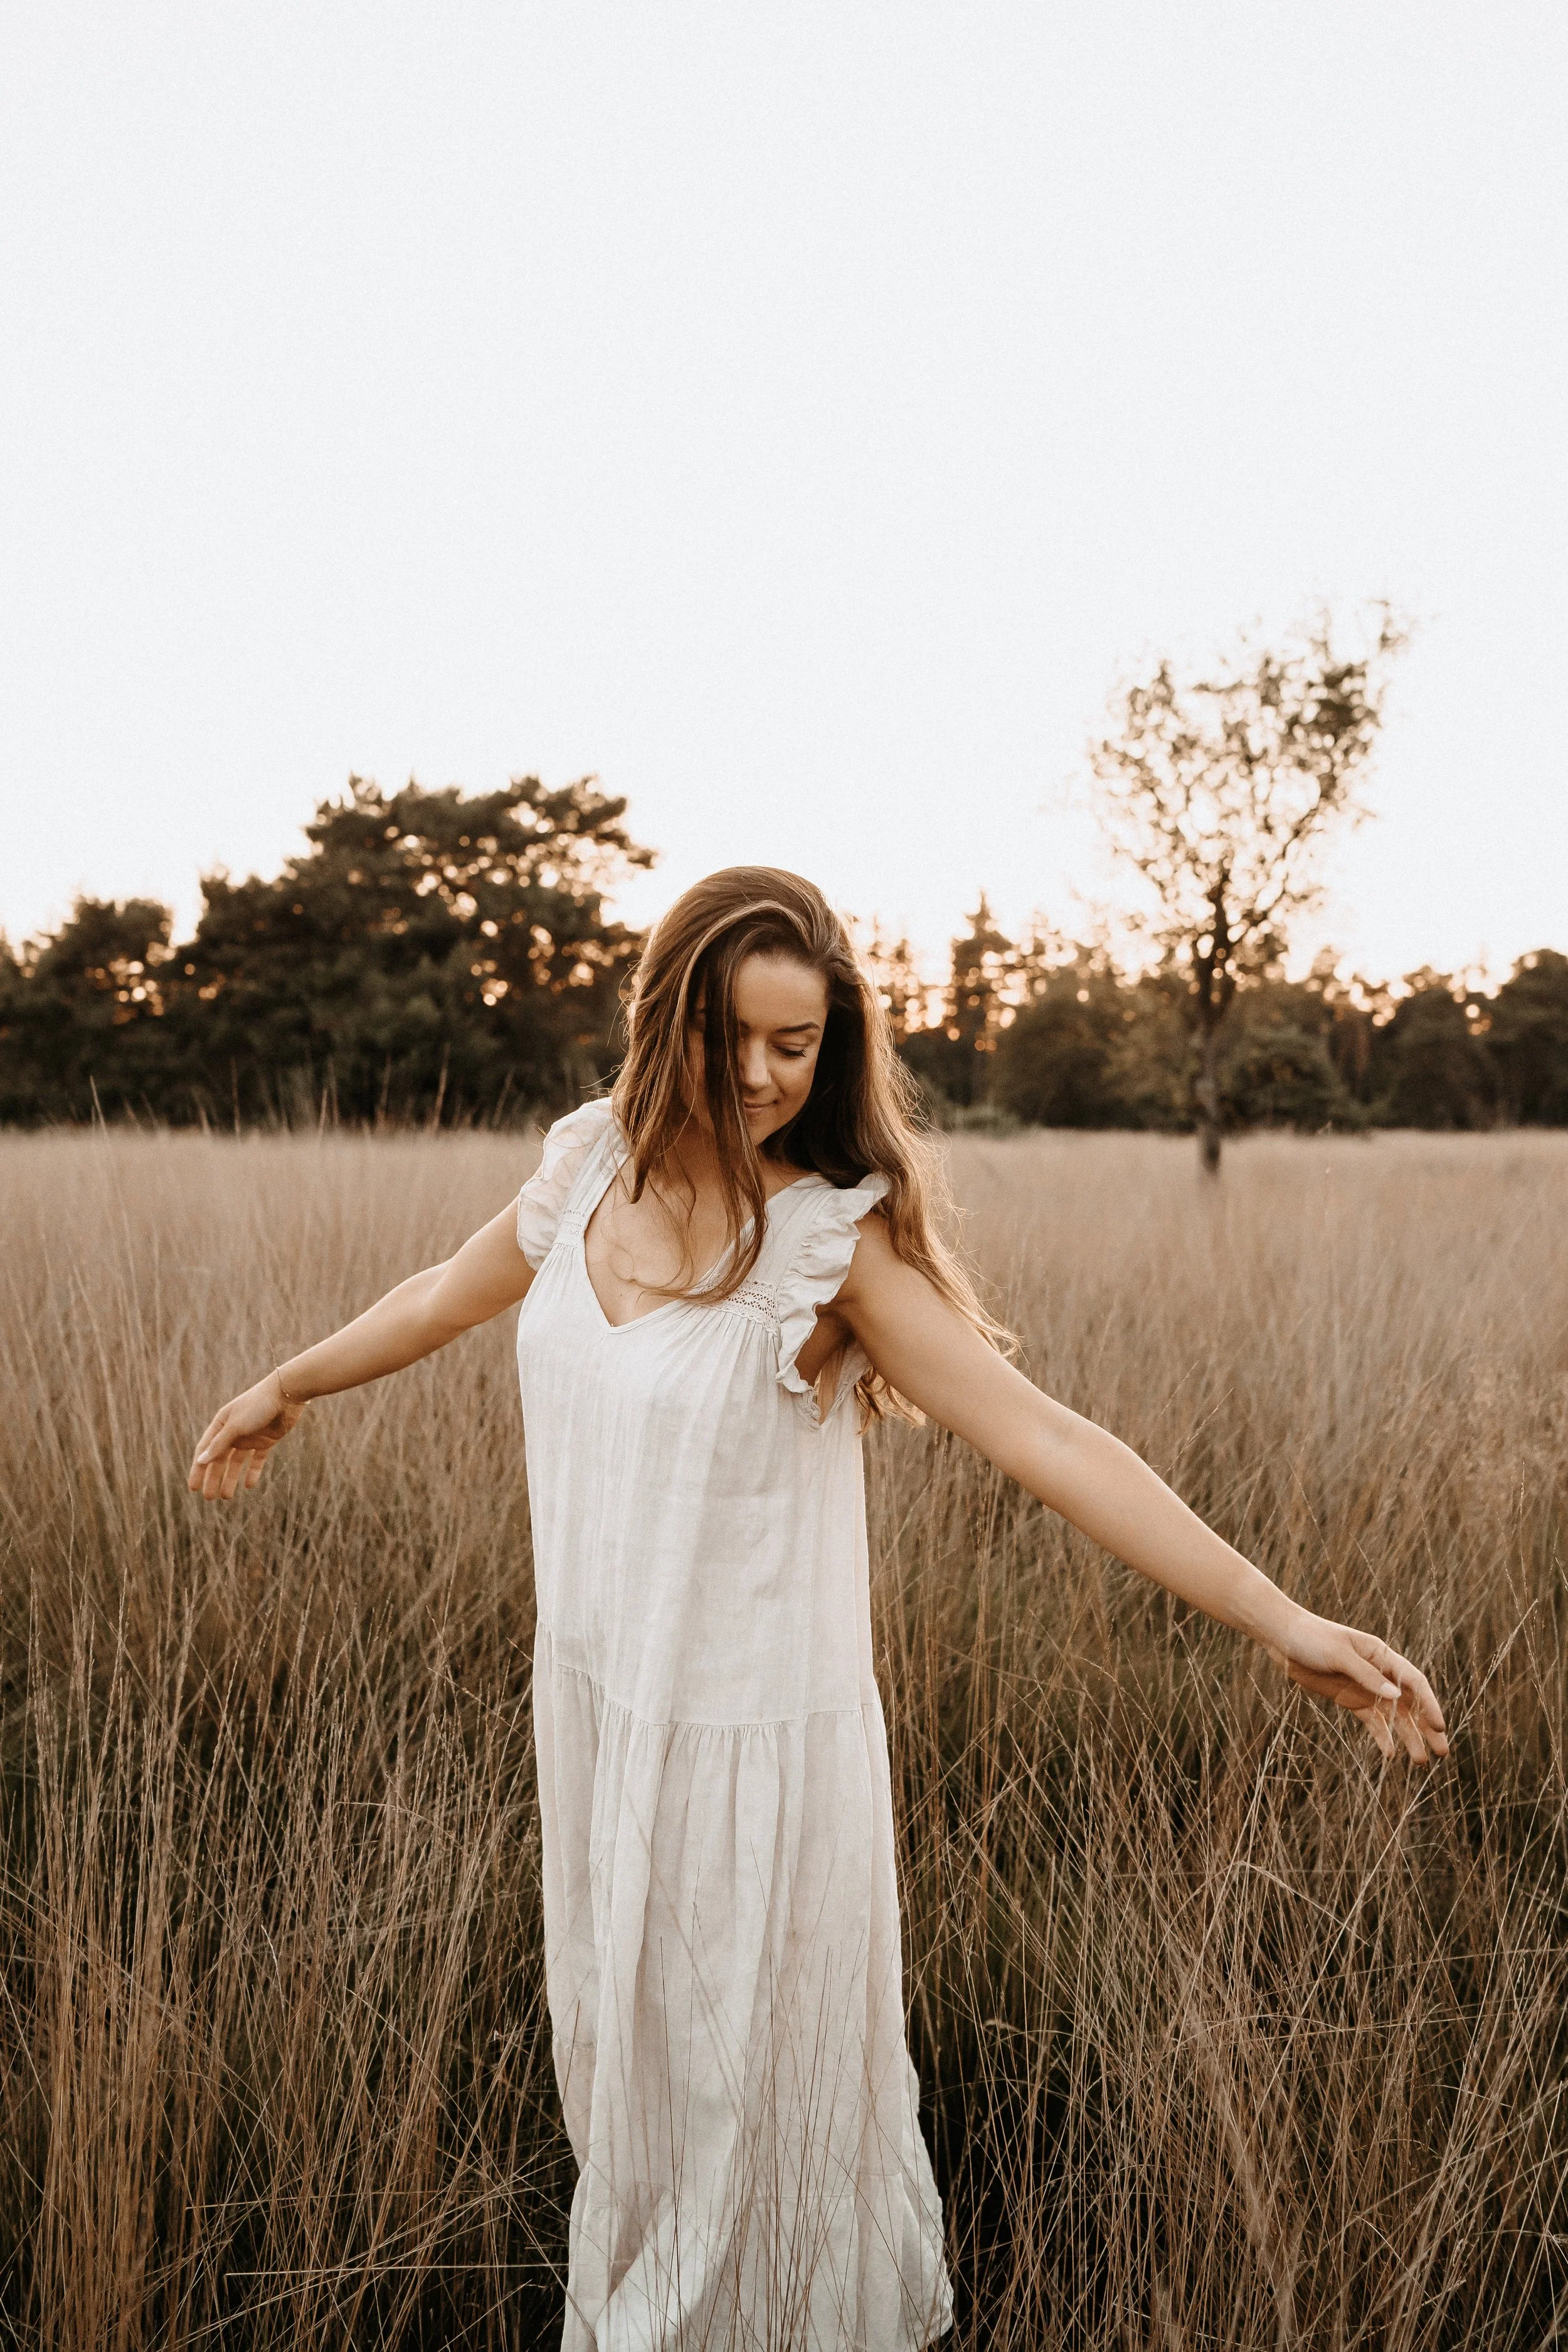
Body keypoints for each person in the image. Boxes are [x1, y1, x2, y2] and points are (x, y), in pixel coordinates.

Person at [189, 866, 1448, 2351]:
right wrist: (289, 1384)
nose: (762, 1074)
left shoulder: (825, 1247)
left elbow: (1045, 1438)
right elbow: (439, 1292)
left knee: (747, 2106)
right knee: (627, 2074)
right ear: (666, 1020)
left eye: (797, 1044)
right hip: (600, 1713)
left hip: (753, 1759)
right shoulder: (586, 1166)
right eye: (734, 1036)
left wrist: (1276, 1616)